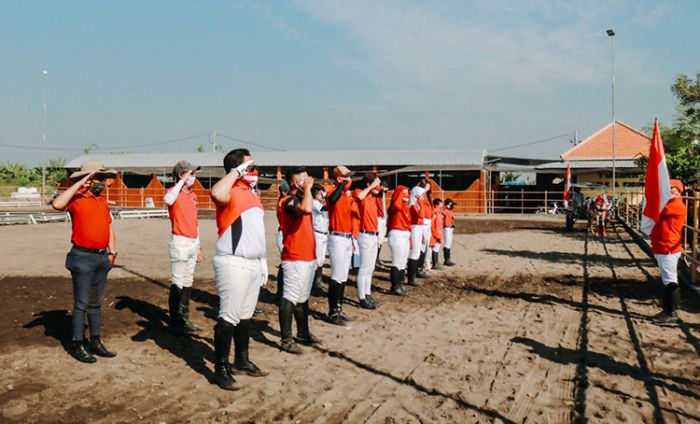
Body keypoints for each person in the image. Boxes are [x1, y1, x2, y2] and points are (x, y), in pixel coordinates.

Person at [209, 149, 268, 391]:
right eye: (250, 167)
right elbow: (216, 193)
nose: (255, 171)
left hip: (253, 263)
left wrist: (262, 260)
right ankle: (220, 369)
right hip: (234, 262)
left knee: (245, 316)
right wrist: (237, 172)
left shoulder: (250, 193)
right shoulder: (230, 189)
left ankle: (241, 360)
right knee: (229, 316)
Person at [51, 161, 118, 363]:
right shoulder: (76, 199)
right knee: (81, 303)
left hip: (101, 257)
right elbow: (57, 204)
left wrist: (112, 253)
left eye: (101, 178)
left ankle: (95, 342)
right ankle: (78, 344)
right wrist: (82, 183)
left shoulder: (102, 201)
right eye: (97, 178)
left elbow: (110, 226)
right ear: (86, 179)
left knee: (96, 303)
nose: (101, 182)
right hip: (82, 258)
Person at [278, 167, 322, 354]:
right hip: (295, 256)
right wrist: (308, 189)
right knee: (290, 297)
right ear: (296, 182)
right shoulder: (288, 200)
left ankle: (303, 332)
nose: (309, 181)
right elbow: (305, 209)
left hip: (307, 256)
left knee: (302, 298)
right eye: (304, 178)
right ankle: (286, 340)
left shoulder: (302, 198)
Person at [163, 160, 204, 335]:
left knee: (188, 281)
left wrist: (199, 246)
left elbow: (195, 223)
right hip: (180, 241)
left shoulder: (191, 195)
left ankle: (184, 317)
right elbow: (168, 199)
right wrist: (181, 181)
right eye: (191, 174)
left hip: (192, 241)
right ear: (181, 175)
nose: (194, 177)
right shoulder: (174, 192)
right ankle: (175, 320)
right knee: (178, 281)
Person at [651, 179, 688, 324]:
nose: (668, 190)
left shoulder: (675, 205)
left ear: (678, 191)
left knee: (670, 281)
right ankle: (667, 309)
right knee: (667, 280)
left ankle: (671, 312)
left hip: (668, 248)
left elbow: (655, 210)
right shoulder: (671, 203)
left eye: (671, 188)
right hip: (664, 246)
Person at [326, 166, 356, 325]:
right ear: (339, 179)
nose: (350, 180)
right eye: (347, 177)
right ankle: (332, 312)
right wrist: (342, 185)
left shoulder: (345, 195)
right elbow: (331, 200)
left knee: (343, 276)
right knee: (337, 275)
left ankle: (339, 307)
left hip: (347, 237)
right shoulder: (333, 191)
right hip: (337, 237)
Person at [354, 172, 383, 309]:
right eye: (377, 183)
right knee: (364, 268)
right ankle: (362, 297)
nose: (379, 186)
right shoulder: (361, 192)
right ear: (368, 184)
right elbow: (359, 196)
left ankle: (367, 294)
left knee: (370, 268)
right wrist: (371, 186)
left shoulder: (372, 197)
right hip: (364, 235)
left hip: (373, 235)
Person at [387, 185, 410, 296]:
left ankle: (399, 284)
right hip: (397, 233)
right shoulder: (396, 206)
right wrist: (401, 193)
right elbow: (396, 205)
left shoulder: (405, 206)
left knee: (402, 262)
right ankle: (395, 286)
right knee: (396, 262)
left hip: (404, 233)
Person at [407, 179, 430, 286]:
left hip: (419, 227)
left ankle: (414, 274)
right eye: (420, 196)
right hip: (415, 227)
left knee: (417, 251)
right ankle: (411, 278)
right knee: (414, 252)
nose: (422, 197)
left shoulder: (416, 204)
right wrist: (420, 203)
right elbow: (420, 215)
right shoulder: (413, 206)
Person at [311, 184, 329, 294]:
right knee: (317, 259)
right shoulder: (314, 202)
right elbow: (324, 208)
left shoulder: (318, 203)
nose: (321, 196)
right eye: (320, 194)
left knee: (321, 259)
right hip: (317, 234)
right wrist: (328, 198)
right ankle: (314, 284)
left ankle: (319, 281)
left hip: (323, 234)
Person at [275, 181, 291, 302]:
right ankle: (281, 293)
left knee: (287, 264)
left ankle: (283, 293)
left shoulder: (284, 201)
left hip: (286, 234)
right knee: (286, 265)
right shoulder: (283, 202)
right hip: (283, 234)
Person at [375, 181, 389, 267]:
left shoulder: (383, 195)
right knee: (377, 240)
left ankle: (377, 258)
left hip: (383, 217)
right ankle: (375, 259)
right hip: (378, 217)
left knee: (381, 239)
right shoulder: (378, 193)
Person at [430, 198, 444, 270]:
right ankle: (434, 263)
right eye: (440, 203)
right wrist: (436, 234)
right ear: (436, 205)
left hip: (439, 232)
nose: (442, 205)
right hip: (436, 233)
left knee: (437, 247)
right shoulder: (435, 213)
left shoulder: (439, 212)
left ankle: (436, 262)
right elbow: (432, 224)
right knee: (435, 248)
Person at [442, 198, 456, 266]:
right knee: (447, 243)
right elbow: (441, 211)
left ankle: (448, 259)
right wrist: (445, 206)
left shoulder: (451, 211)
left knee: (449, 243)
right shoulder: (445, 210)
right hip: (447, 228)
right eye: (451, 204)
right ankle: (446, 260)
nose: (453, 206)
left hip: (451, 228)